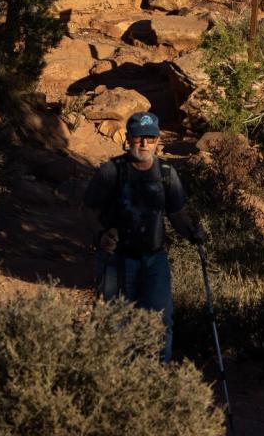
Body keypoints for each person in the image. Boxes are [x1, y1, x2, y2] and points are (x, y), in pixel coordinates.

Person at [81, 111, 203, 362]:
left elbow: (177, 213)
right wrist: (101, 235)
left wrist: (193, 233)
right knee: (116, 322)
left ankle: (155, 378)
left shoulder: (167, 173)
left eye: (150, 137)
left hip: (154, 260)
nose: (145, 143)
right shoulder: (111, 171)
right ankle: (119, 379)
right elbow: (88, 211)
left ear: (158, 140)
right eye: (139, 138)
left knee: (159, 320)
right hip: (116, 261)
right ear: (129, 139)